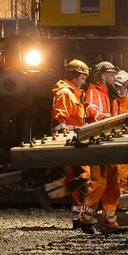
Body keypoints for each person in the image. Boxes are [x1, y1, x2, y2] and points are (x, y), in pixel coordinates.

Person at [79, 61, 128, 234]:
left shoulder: (108, 93)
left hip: (108, 142)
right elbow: (92, 111)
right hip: (97, 144)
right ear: (103, 76)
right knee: (99, 182)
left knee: (113, 183)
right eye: (111, 75)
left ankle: (109, 222)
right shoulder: (94, 92)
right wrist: (109, 122)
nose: (114, 78)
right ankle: (85, 219)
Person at [44, 59, 90, 229]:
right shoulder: (66, 93)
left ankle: (76, 217)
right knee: (84, 177)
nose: (84, 81)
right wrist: (66, 140)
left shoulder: (72, 93)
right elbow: (58, 120)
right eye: (83, 77)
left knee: (78, 179)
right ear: (77, 76)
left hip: (74, 143)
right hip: (70, 144)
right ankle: (49, 193)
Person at [100, 70, 128, 229]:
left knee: (118, 183)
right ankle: (109, 217)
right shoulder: (111, 101)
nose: (120, 91)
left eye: (122, 87)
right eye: (117, 87)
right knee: (110, 183)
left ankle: (110, 215)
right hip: (112, 147)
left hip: (124, 148)